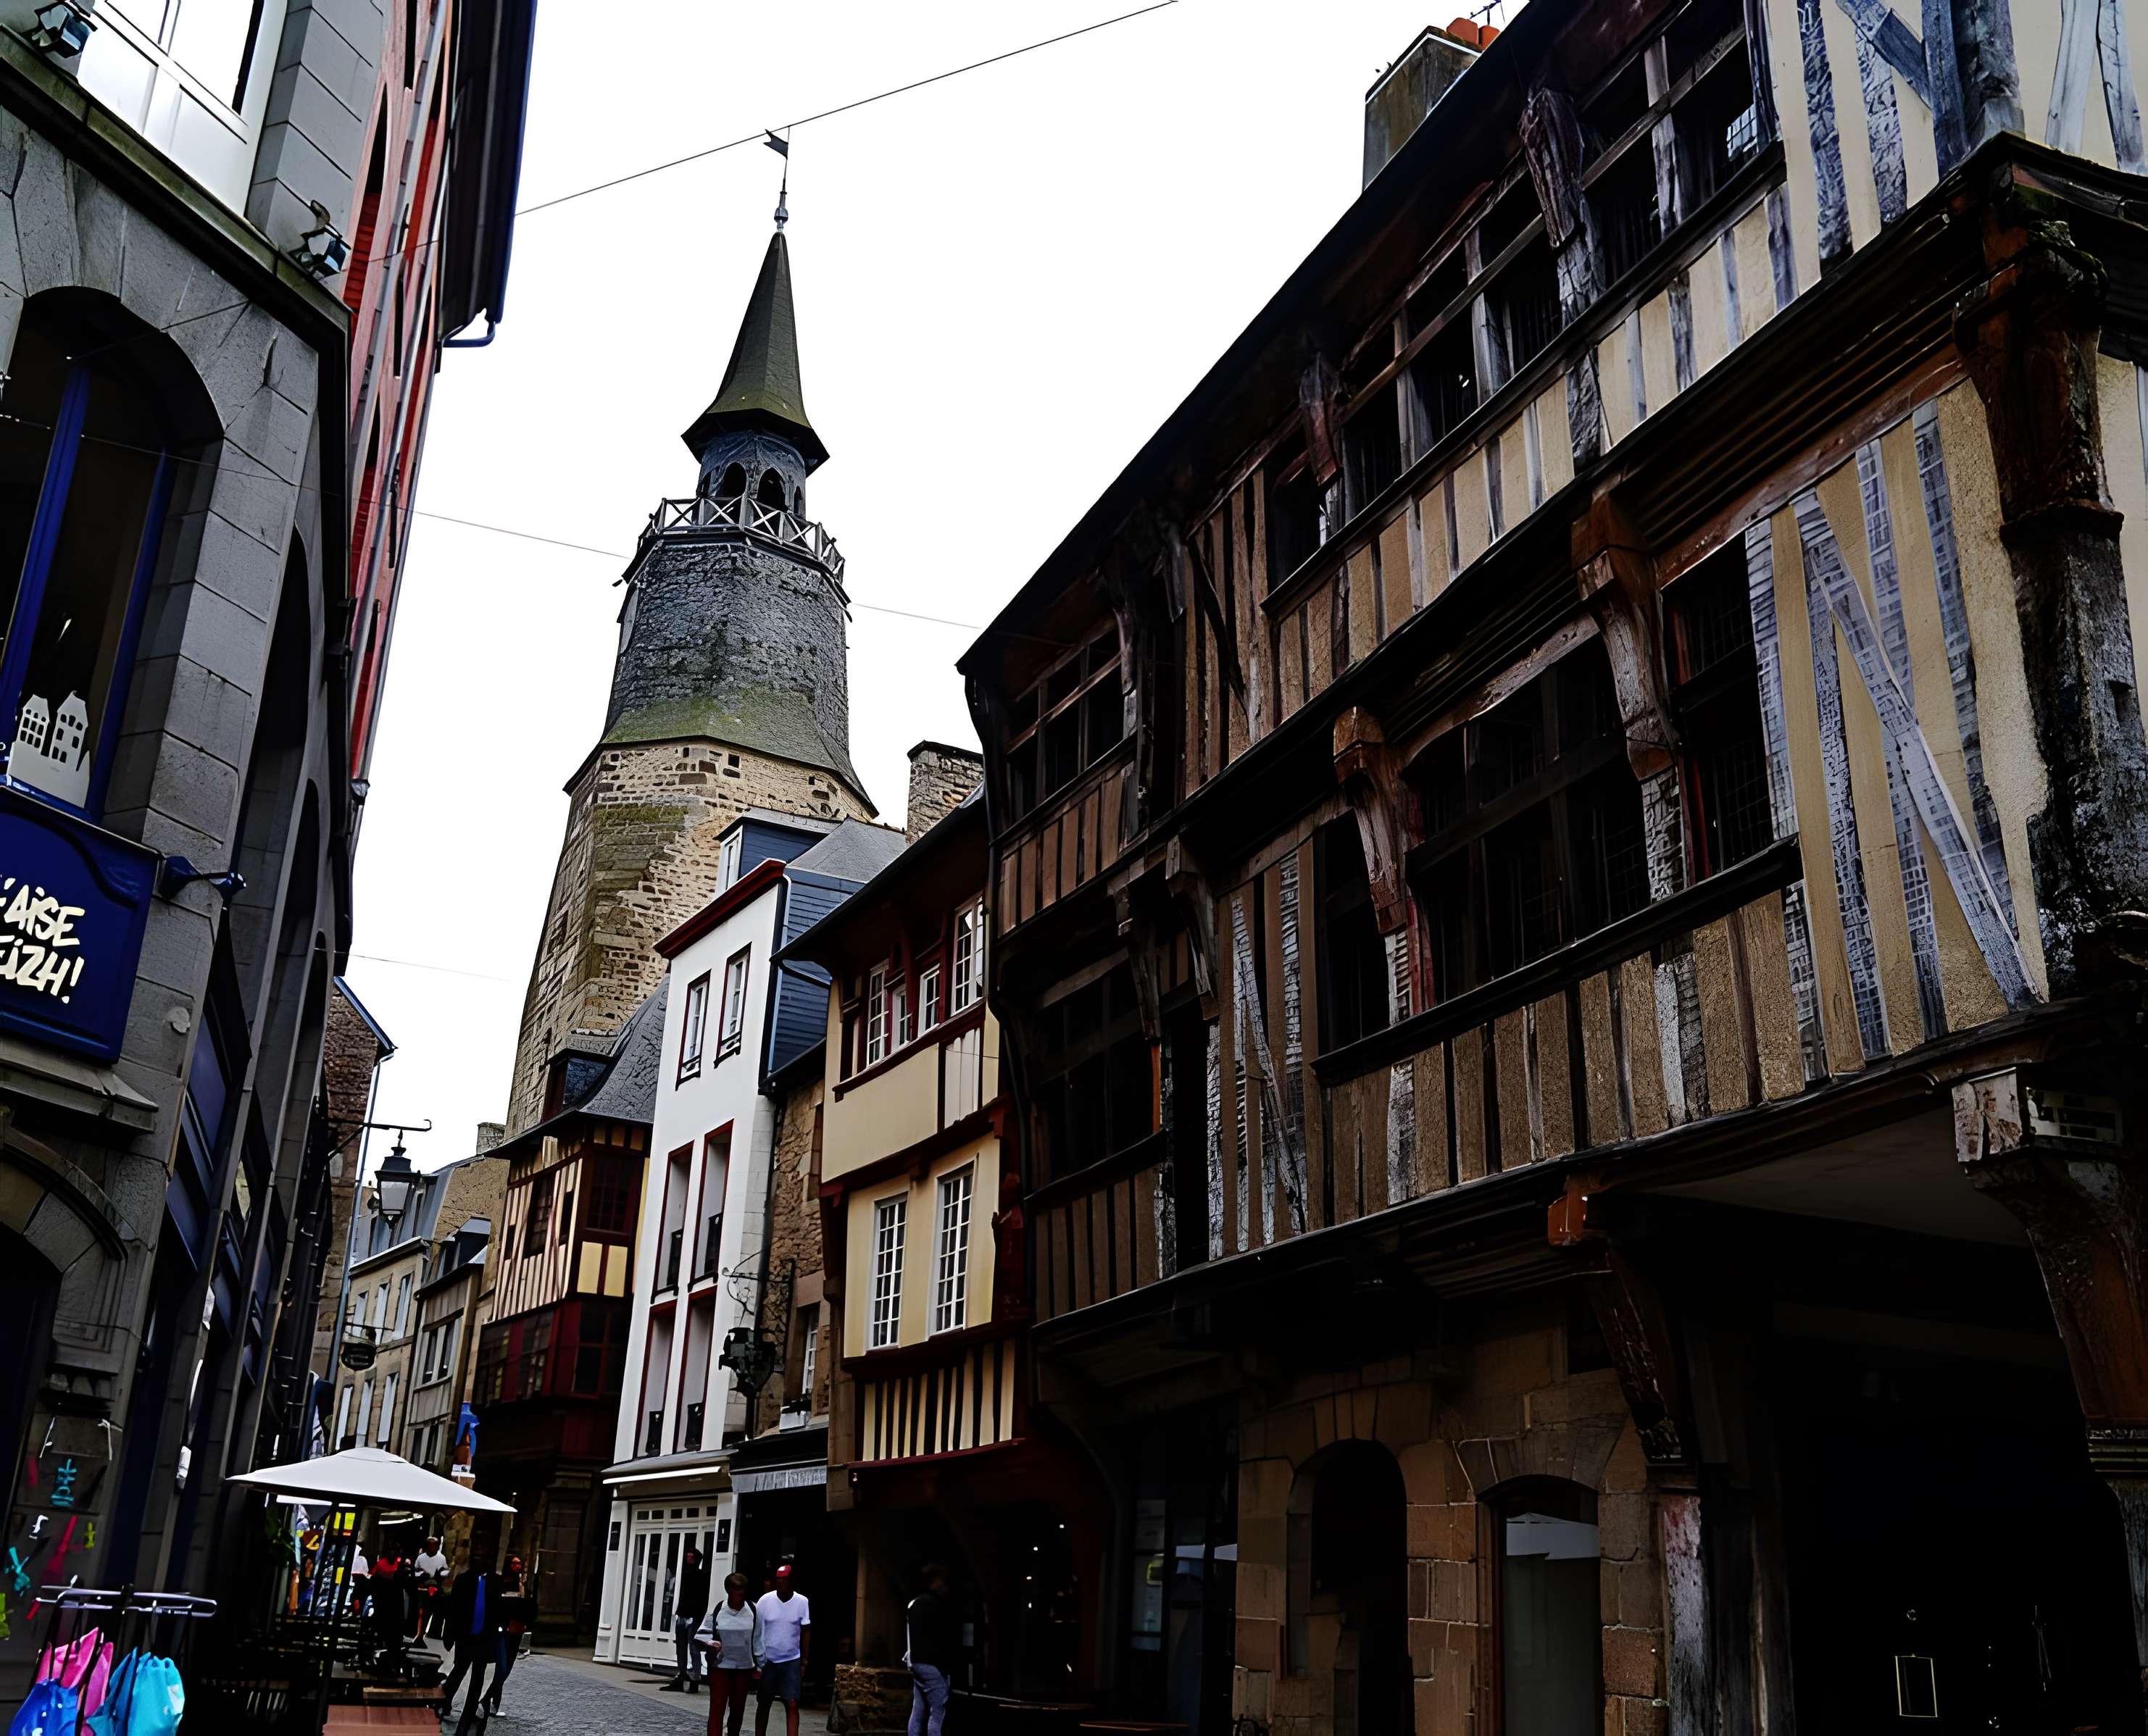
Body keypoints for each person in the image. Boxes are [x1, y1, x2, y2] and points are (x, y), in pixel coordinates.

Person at [438, 1559, 502, 1735]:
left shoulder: (496, 1582)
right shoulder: (463, 1580)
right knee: (459, 1670)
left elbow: (497, 1609)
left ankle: (467, 1717)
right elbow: (453, 1608)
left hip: (484, 1637)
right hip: (465, 1636)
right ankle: (443, 1700)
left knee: (477, 1677)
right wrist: (449, 1633)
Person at [694, 1572, 762, 1736]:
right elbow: (700, 1636)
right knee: (717, 1710)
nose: (740, 1594)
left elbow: (759, 1639)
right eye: (736, 1590)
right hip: (721, 1668)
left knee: (738, 1710)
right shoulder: (718, 1610)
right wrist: (710, 1643)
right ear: (729, 1591)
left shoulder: (753, 1610)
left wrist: (760, 1665)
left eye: (743, 1590)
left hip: (744, 1668)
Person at [753, 1565, 809, 1736]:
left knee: (792, 1703)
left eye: (784, 1579)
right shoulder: (765, 1601)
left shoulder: (802, 1602)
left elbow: (806, 1630)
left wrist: (804, 1660)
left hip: (791, 1659)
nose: (781, 1583)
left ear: (792, 1581)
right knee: (764, 1702)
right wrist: (757, 1661)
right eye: (778, 1579)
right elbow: (758, 1632)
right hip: (768, 1660)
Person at [904, 1564, 958, 1736]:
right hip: (930, 1665)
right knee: (938, 1713)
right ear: (934, 1581)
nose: (945, 1585)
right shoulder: (933, 1604)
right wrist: (945, 1668)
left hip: (915, 1662)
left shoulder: (914, 1603)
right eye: (942, 1581)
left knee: (918, 1711)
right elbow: (939, 1639)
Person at [483, 1556, 533, 1718]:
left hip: (518, 1628)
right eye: (514, 1563)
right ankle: (488, 1698)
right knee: (502, 1667)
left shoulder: (523, 1581)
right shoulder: (503, 1581)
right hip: (505, 1628)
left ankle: (492, 1701)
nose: (517, 1566)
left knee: (507, 1667)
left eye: (519, 1563)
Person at [664, 1545, 711, 1693]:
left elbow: (702, 1599)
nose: (688, 1559)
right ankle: (682, 1675)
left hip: (693, 1616)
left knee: (693, 1649)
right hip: (683, 1614)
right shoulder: (685, 1574)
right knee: (681, 1648)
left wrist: (698, 1616)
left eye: (691, 1557)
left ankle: (695, 1678)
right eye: (688, 1556)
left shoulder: (701, 1576)